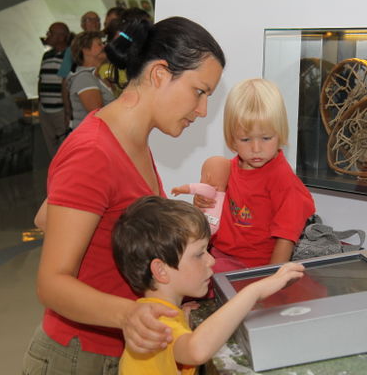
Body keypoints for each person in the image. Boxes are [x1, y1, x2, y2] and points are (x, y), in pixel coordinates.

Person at [22, 15, 226, 375]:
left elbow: (48, 215)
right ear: (160, 74)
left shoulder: (131, 140)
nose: (202, 110)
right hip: (80, 356)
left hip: (122, 349)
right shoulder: (94, 150)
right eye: (200, 91)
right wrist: (129, 313)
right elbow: (50, 284)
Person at [112, 196, 305, 375]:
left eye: (208, 250)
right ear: (161, 270)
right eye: (199, 254)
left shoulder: (158, 312)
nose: (211, 260)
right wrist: (254, 291)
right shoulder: (155, 323)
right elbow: (196, 351)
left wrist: (181, 318)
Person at [205, 78, 316, 272]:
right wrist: (203, 203)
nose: (256, 149)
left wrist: (272, 280)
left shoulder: (282, 178)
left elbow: (286, 238)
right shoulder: (230, 169)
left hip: (254, 265)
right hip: (220, 253)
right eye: (245, 139)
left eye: (266, 138)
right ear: (231, 139)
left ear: (280, 134)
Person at [66, 31, 115, 128]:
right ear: (85, 50)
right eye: (99, 44)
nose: (104, 47)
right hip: (90, 137)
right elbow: (98, 113)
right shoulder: (84, 78)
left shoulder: (96, 76)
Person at [171, 155, 230, 234]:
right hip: (220, 226)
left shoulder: (210, 190)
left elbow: (194, 188)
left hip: (208, 222)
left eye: (202, 175)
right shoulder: (226, 197)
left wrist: (180, 189)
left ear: (208, 177)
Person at [37, 22, 71, 156]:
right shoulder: (46, 55)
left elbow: (67, 82)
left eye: (51, 33)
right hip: (44, 109)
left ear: (62, 37)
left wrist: (67, 110)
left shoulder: (69, 55)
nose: (47, 35)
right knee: (51, 146)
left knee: (65, 146)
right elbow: (41, 78)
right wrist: (40, 101)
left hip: (60, 109)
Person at [58, 11, 102, 79]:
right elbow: (65, 75)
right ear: (82, 25)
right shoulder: (73, 48)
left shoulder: (105, 45)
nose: (94, 22)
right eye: (89, 20)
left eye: (97, 20)